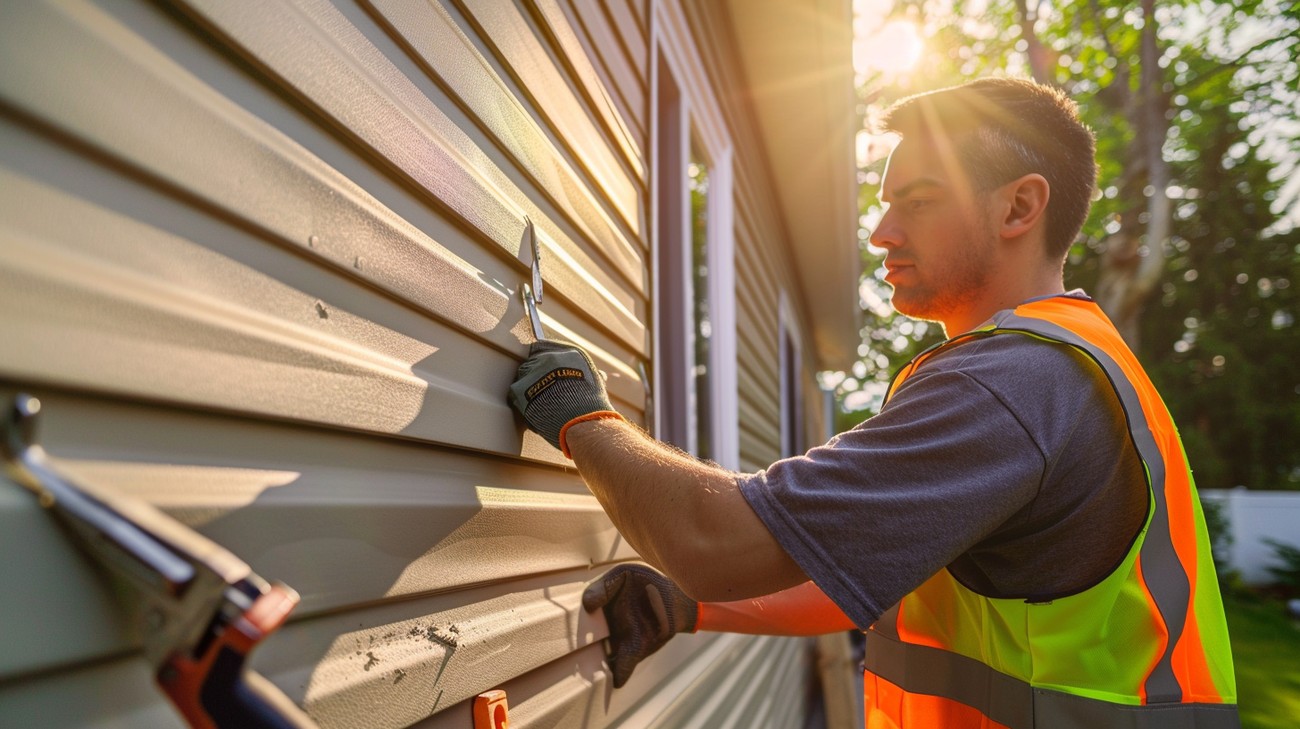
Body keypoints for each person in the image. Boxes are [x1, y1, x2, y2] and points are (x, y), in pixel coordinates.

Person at [509, 78, 1238, 727]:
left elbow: (713, 539)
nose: (883, 233)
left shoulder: (1012, 383)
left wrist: (578, 413)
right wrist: (692, 607)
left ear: (1020, 205)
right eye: (886, 203)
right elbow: (861, 571)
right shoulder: (1066, 360)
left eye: (917, 202)